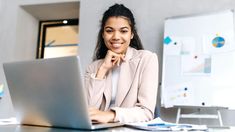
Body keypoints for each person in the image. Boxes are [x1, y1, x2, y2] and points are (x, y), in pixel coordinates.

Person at [84, 3, 159, 123]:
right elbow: (89, 111)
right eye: (109, 31)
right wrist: (103, 69)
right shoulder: (94, 67)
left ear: (132, 34)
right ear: (103, 34)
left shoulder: (147, 59)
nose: (116, 37)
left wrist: (111, 115)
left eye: (123, 31)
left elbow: (146, 112)